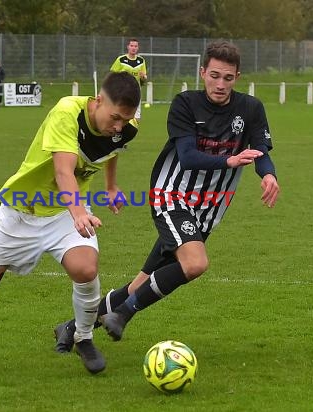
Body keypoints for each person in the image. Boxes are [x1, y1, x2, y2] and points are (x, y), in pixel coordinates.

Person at [54, 40, 280, 352]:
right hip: (172, 196)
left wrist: (268, 173)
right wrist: (228, 160)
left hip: (210, 209)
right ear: (203, 73)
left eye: (228, 78)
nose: (220, 84)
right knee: (195, 263)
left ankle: (71, 328)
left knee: (140, 283)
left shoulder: (251, 109)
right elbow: (187, 157)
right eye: (214, 75)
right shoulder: (185, 103)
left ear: (237, 77)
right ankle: (123, 314)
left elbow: (261, 150)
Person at [0, 71, 141, 375]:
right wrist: (79, 212)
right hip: (21, 211)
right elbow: (63, 171)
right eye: (115, 117)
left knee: (86, 268)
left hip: (63, 214)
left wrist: (110, 187)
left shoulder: (126, 127)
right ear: (98, 101)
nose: (118, 126)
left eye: (125, 120)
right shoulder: (68, 112)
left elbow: (114, 149)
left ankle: (83, 337)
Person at [110, 38, 147, 122]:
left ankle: (132, 132)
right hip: (122, 90)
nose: (133, 48)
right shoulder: (121, 59)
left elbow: (144, 77)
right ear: (128, 47)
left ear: (138, 48)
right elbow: (112, 74)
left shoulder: (141, 61)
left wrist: (143, 77)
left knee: (136, 117)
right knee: (120, 113)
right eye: (131, 46)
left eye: (135, 46)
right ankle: (118, 133)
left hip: (136, 90)